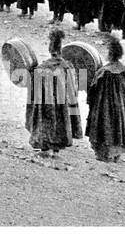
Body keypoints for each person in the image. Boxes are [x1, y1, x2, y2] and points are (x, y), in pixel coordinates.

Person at [26, 28, 83, 157]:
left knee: (45, 117)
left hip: (46, 104)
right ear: (60, 49)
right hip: (62, 103)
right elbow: (73, 89)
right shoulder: (68, 67)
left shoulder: (42, 68)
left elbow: (34, 93)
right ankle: (56, 149)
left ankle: (45, 147)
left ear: (50, 49)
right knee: (62, 117)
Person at [84, 35, 125, 162]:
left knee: (105, 127)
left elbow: (92, 91)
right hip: (121, 109)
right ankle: (116, 154)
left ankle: (106, 154)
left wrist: (92, 104)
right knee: (119, 127)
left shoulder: (103, 72)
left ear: (109, 54)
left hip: (104, 109)